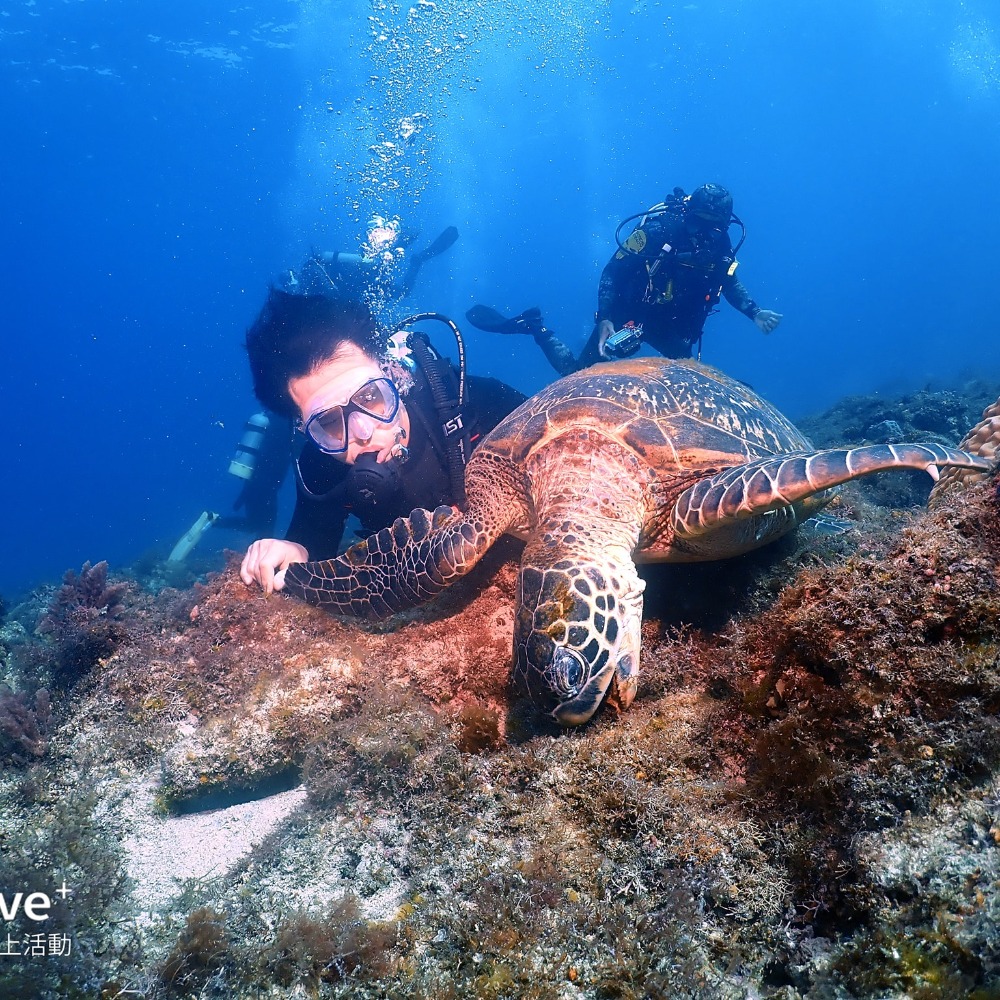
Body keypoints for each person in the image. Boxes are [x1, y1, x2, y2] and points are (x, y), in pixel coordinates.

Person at [239, 289, 526, 594]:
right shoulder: (322, 464)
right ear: (303, 427)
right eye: (329, 421)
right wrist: (293, 550)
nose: (363, 431)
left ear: (391, 373)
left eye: (370, 396)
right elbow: (313, 540)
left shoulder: (473, 403)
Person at [467, 183, 782, 377]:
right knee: (577, 375)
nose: (704, 233)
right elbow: (612, 271)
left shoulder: (721, 243)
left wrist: (755, 312)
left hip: (667, 323)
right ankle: (536, 328)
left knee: (689, 371)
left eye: (714, 227)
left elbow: (729, 280)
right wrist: (605, 318)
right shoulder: (657, 231)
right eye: (699, 222)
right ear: (688, 214)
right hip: (627, 313)